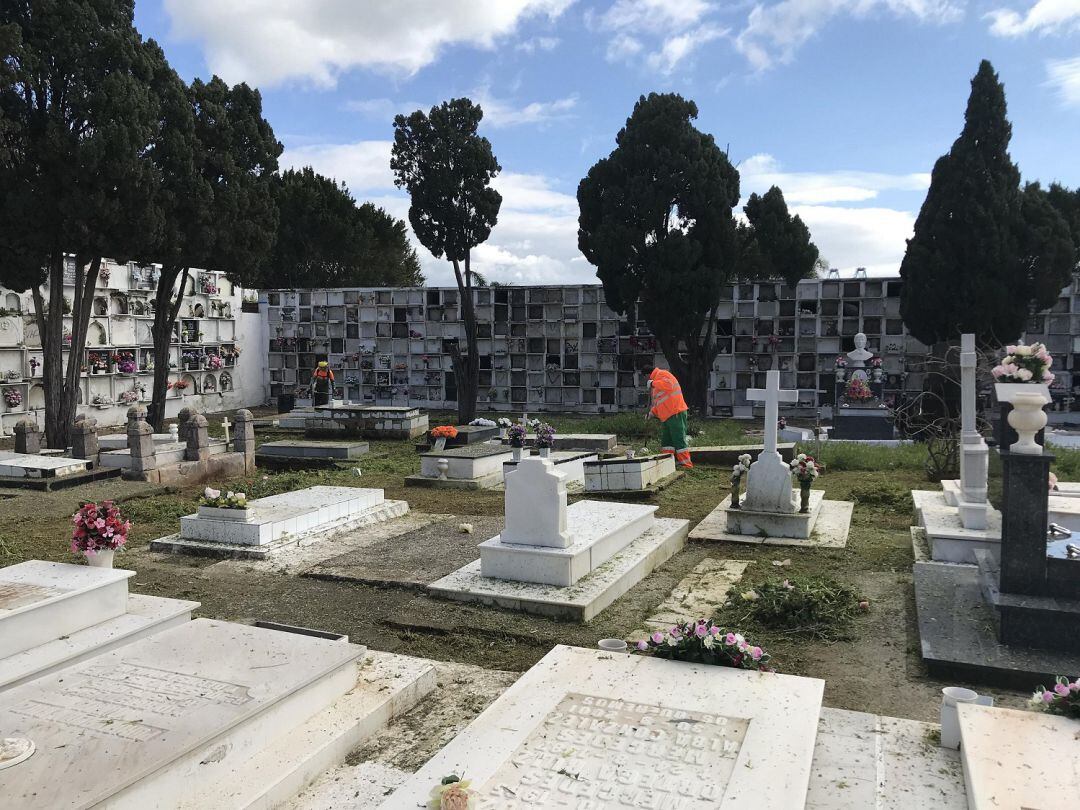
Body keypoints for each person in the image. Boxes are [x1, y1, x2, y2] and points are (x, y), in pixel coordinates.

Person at [643, 365, 693, 469]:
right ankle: (667, 462)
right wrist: (651, 413)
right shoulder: (656, 385)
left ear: (648, 375)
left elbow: (668, 385)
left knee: (678, 439)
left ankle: (686, 464)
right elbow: (660, 403)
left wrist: (652, 383)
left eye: (645, 377)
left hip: (675, 412)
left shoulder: (662, 374)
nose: (645, 380)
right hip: (667, 416)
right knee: (667, 442)